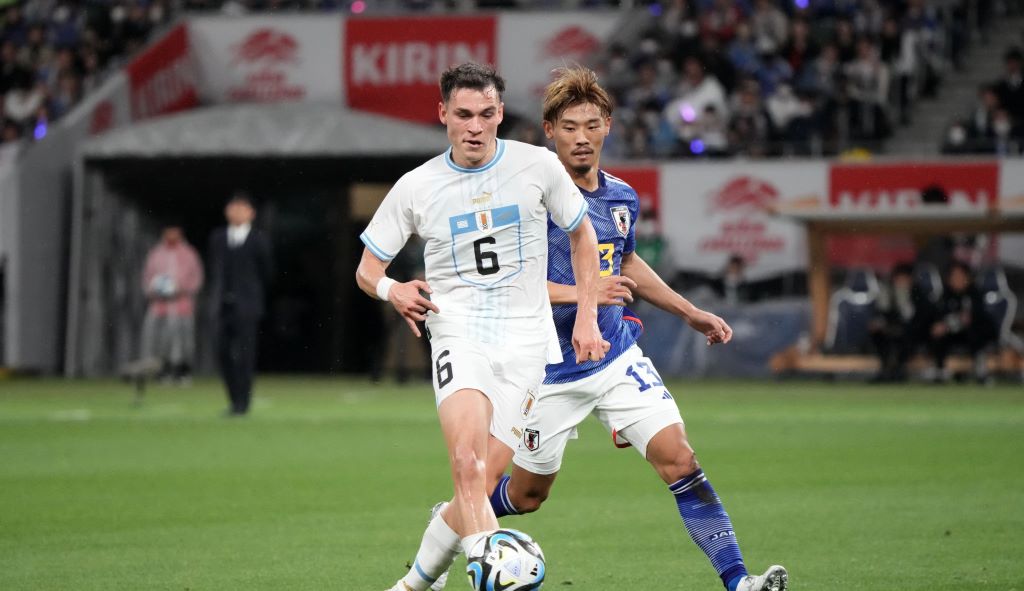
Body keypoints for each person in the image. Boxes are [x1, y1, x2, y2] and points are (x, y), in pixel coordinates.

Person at [398, 67, 788, 591]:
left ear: (608, 126)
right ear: (549, 131)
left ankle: (740, 581)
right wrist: (587, 292)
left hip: (614, 358)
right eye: (569, 127)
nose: (581, 137)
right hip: (544, 370)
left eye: (590, 125)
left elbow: (624, 264)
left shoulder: (621, 196)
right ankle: (450, 527)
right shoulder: (525, 199)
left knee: (680, 458)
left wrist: (688, 311)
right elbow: (507, 284)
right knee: (524, 495)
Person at [354, 63, 607, 591]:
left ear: (499, 115)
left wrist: (586, 315)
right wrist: (392, 289)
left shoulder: (536, 165)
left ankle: (412, 586)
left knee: (484, 482)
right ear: (443, 114)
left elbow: (583, 236)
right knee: (467, 465)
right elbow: (367, 269)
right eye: (463, 115)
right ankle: (495, 572)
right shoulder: (416, 187)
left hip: (528, 344)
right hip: (459, 333)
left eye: (487, 114)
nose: (475, 126)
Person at [207, 192, 273, 416]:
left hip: (247, 306)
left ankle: (243, 404)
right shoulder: (217, 238)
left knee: (245, 355)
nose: (236, 211)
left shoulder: (259, 239)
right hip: (222, 305)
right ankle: (233, 399)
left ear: (251, 213)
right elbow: (213, 270)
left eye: (241, 207)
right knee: (222, 353)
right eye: (232, 206)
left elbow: (267, 272)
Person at [140, 225, 204, 384]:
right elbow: (147, 276)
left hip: (181, 304)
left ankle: (183, 371)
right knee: (159, 339)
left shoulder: (189, 253)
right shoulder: (156, 253)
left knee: (183, 340)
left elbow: (196, 278)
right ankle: (162, 370)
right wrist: (154, 290)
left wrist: (181, 288)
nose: (171, 235)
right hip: (159, 305)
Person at [927, 262, 998, 383]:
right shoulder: (945, 295)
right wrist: (939, 326)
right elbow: (939, 316)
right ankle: (940, 371)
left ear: (968, 278)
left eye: (960, 276)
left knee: (975, 333)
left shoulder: (974, 294)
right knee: (937, 335)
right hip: (953, 333)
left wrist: (946, 325)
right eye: (954, 276)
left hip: (973, 332)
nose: (957, 279)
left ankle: (981, 371)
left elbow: (970, 318)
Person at [868, 262, 928, 383]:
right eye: (898, 278)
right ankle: (885, 368)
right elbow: (881, 313)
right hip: (890, 331)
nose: (901, 281)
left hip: (911, 333)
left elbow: (921, 318)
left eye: (904, 278)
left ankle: (899, 369)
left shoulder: (918, 294)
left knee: (906, 336)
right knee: (878, 335)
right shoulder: (888, 292)